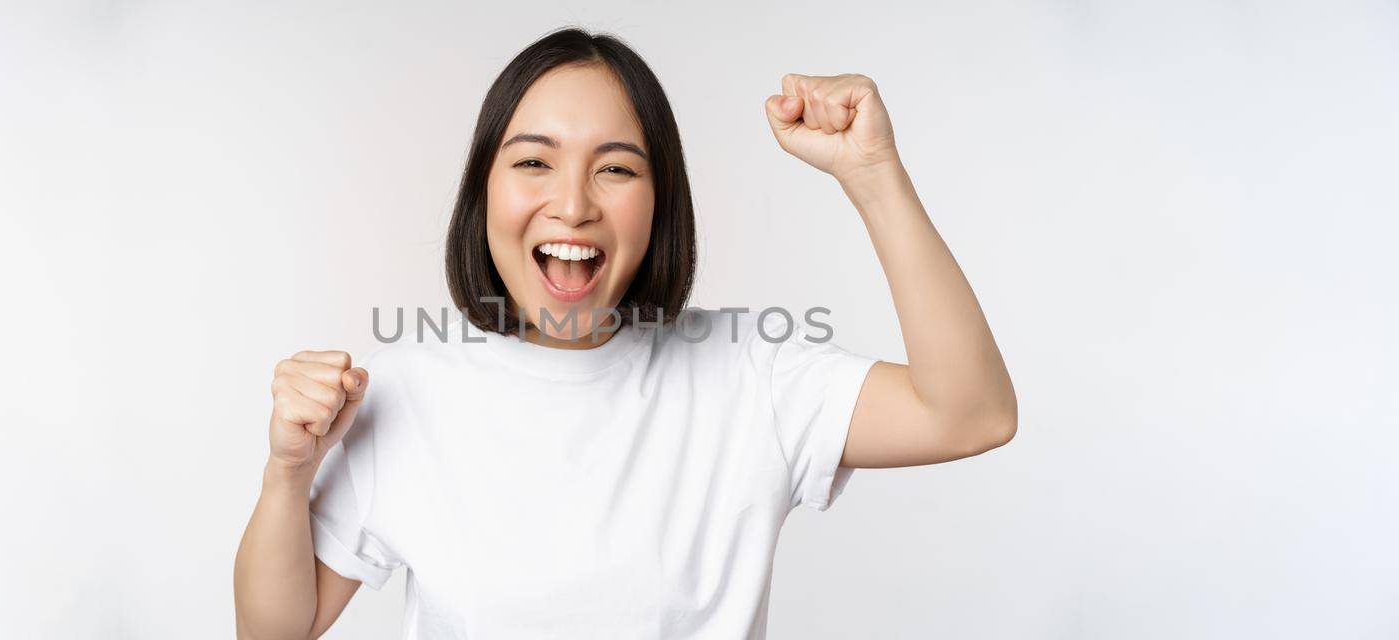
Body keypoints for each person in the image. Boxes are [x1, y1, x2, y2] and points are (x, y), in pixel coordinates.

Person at [234, 27, 1017, 640]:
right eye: (534, 162)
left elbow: (971, 414)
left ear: (659, 203)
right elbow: (278, 631)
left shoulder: (751, 377)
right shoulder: (403, 389)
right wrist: (287, 472)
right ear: (483, 191)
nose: (572, 206)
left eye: (615, 169)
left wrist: (874, 172)